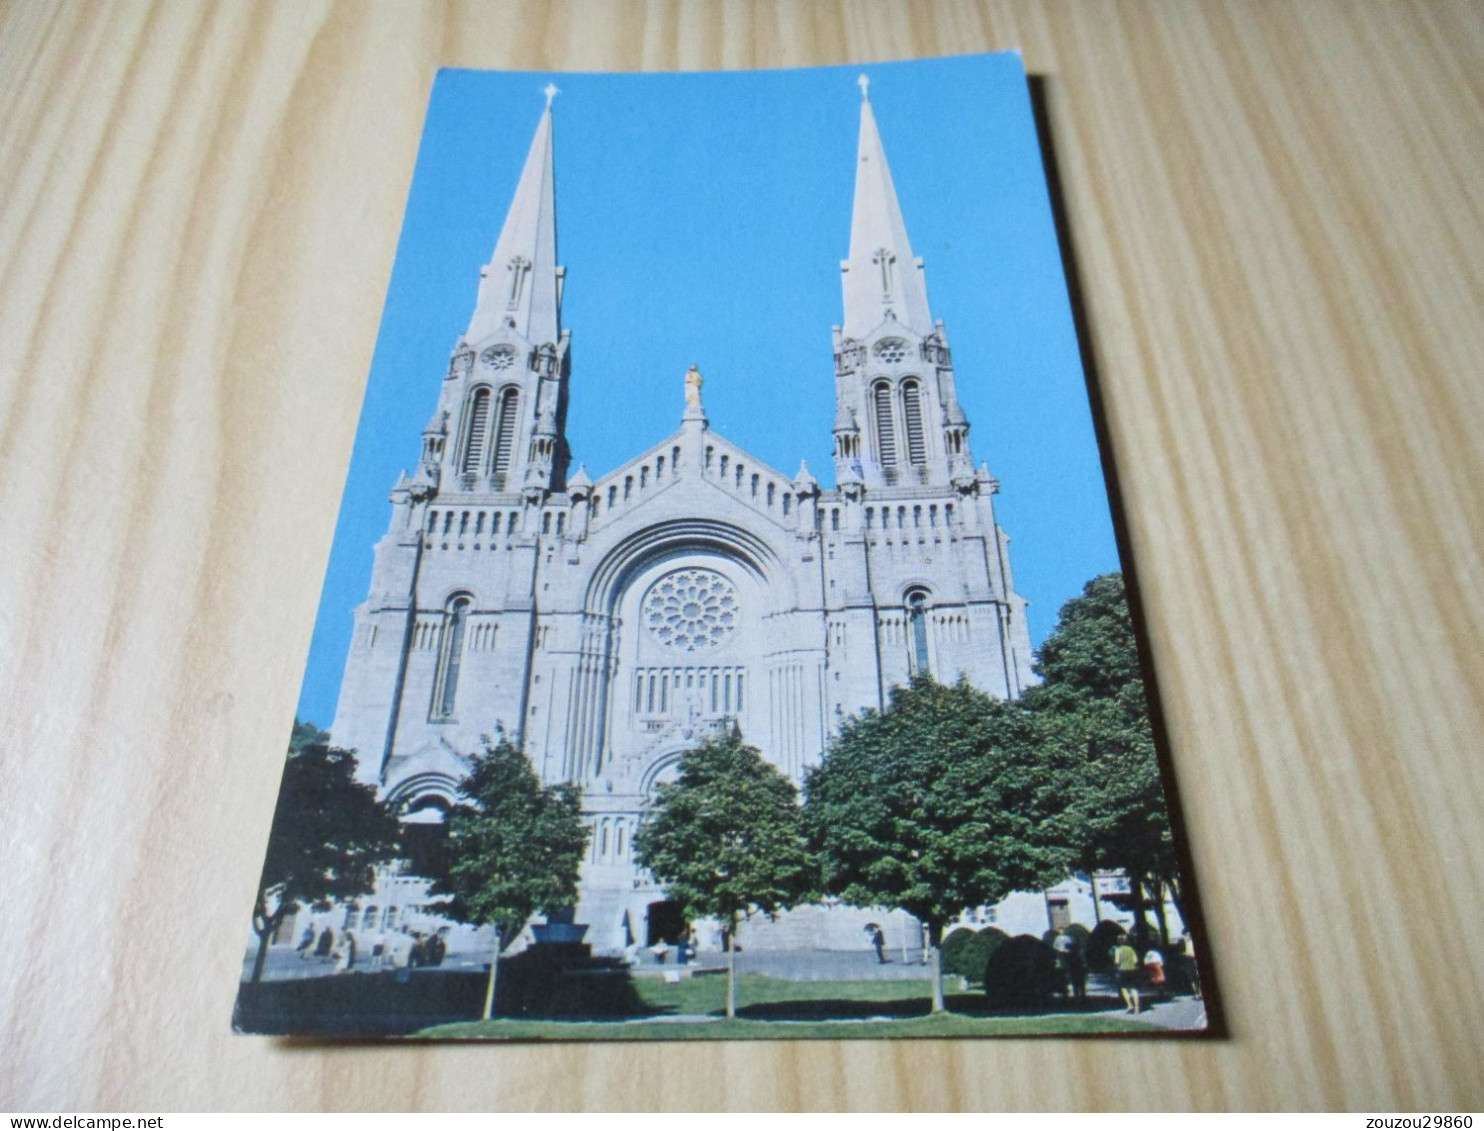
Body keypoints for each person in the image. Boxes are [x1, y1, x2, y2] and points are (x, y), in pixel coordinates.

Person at [1112, 934, 1141, 1014]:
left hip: (1123, 970)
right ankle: (1137, 1008)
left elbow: (1117, 961)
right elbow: (1135, 960)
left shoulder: (1118, 950)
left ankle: (1129, 1004)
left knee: (1124, 988)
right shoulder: (1131, 949)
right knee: (1134, 989)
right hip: (1132, 970)